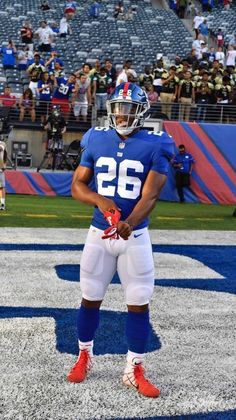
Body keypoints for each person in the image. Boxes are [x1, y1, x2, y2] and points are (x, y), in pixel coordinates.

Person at [67, 82, 175, 398]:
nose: (122, 114)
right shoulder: (96, 137)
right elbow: (77, 187)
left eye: (128, 109)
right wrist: (100, 201)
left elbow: (151, 193)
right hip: (99, 233)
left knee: (138, 302)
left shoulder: (157, 143)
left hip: (135, 235)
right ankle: (84, 356)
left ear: (141, 112)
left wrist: (130, 222)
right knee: (90, 296)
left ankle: (134, 368)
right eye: (118, 107)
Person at [0, 140, 7, 210]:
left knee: (1, 187)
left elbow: (1, 149)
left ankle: (2, 204)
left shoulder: (2, 143)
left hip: (0, 168)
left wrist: (4, 165)